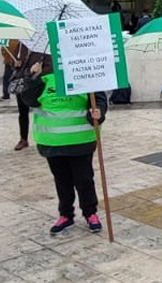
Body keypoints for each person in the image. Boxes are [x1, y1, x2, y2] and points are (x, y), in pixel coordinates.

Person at [20, 60, 106, 235]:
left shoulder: (86, 78)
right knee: (62, 180)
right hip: (52, 142)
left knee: (84, 179)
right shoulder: (44, 79)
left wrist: (98, 112)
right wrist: (32, 78)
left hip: (80, 140)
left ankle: (90, 212)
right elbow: (29, 100)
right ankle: (66, 214)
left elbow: (98, 100)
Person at [13, 51, 52, 152]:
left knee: (41, 111)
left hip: (38, 85)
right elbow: (15, 60)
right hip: (23, 83)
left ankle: (47, 136)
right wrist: (16, 65)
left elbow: (51, 68)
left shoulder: (46, 49)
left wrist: (39, 71)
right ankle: (23, 138)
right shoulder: (22, 46)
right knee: (22, 112)